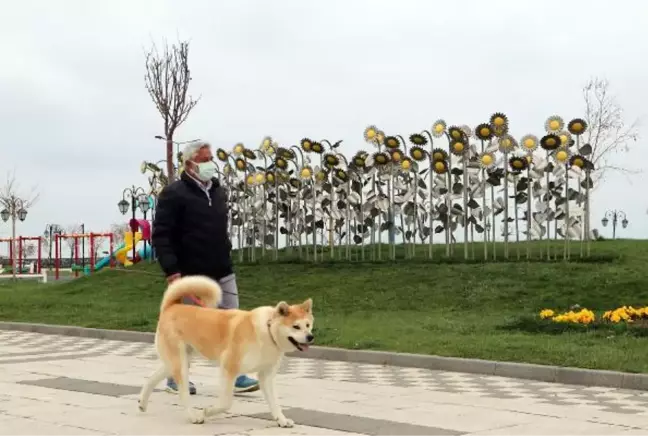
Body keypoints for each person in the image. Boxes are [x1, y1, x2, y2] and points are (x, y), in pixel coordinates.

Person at [151, 139, 259, 395]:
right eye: (203, 160)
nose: (209, 164)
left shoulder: (218, 191)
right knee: (188, 330)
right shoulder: (174, 193)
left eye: (211, 159)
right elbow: (161, 235)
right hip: (191, 275)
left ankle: (237, 374)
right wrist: (172, 271)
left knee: (235, 324)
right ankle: (175, 378)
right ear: (189, 164)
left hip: (222, 269)